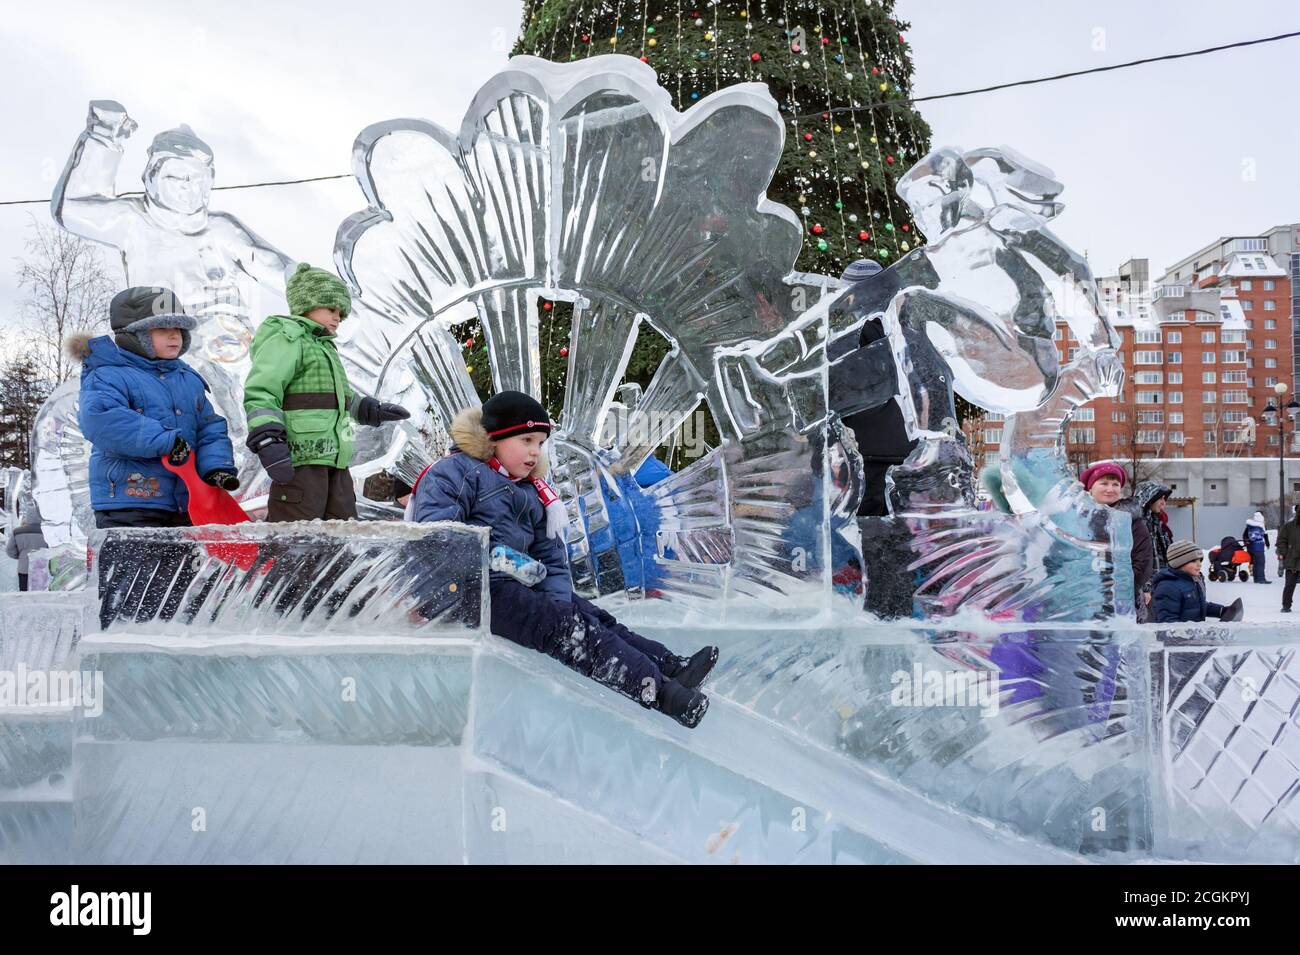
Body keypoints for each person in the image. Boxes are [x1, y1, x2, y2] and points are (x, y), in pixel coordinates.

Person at [409, 390, 718, 728]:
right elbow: (437, 538)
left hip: (514, 585)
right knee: (570, 630)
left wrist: (558, 601)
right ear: (493, 437)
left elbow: (550, 556)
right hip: (465, 591)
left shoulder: (532, 490)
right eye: (526, 439)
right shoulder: (454, 473)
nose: (534, 452)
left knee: (591, 616)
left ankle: (672, 666)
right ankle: (660, 694)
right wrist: (501, 557)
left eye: (540, 443)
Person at [72, 286, 237, 625]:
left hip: (181, 503)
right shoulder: (108, 373)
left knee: (179, 591)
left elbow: (209, 426)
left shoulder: (187, 379)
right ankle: (125, 650)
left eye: (178, 329)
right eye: (163, 329)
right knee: (133, 593)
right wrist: (165, 440)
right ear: (135, 335)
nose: (174, 336)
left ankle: (175, 658)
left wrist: (215, 467)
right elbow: (102, 419)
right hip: (130, 502)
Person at [244, 263, 410, 521]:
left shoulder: (326, 349)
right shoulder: (288, 339)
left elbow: (341, 398)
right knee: (297, 535)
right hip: (301, 458)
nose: (337, 318)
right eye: (332, 309)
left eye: (341, 314)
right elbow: (262, 391)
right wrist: (268, 438)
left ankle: (339, 563)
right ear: (308, 303)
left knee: (341, 532)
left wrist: (368, 409)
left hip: (335, 459)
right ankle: (292, 561)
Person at [1080, 462, 1153, 617]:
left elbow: (1142, 561)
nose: (1110, 489)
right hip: (1083, 600)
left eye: (1115, 484)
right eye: (1104, 483)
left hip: (1122, 601)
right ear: (1090, 488)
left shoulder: (1132, 520)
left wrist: (1118, 592)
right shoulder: (1076, 519)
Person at [1151, 540, 1243, 623]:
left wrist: (1221, 611)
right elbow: (1167, 622)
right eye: (1193, 561)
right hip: (1179, 639)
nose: (1199, 564)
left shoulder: (1194, 581)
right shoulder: (1168, 587)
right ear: (1179, 562)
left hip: (1193, 637)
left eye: (1200, 560)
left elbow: (1198, 606)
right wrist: (1184, 638)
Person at [5, 501, 47, 592]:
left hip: (23, 568)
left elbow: (9, 550)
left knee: (24, 593)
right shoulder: (47, 532)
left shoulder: (17, 531)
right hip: (41, 568)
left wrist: (20, 556)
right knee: (40, 593)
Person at [1134, 481, 1174, 571]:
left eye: (1165, 499)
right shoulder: (1135, 525)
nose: (1164, 503)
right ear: (1149, 498)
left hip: (1161, 580)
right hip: (1144, 582)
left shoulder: (1157, 524)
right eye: (1161, 498)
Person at [1278, 503, 1300, 613]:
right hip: (1293, 560)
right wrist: (1286, 553)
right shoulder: (1289, 527)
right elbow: (1281, 541)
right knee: (1290, 585)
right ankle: (1286, 605)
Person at [1241, 511, 1271, 584]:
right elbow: (1265, 535)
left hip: (1250, 547)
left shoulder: (1250, 525)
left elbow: (1244, 535)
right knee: (1260, 563)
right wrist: (1267, 544)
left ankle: (1256, 579)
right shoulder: (1261, 525)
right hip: (1258, 547)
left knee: (1255, 563)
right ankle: (1261, 579)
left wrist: (1246, 542)